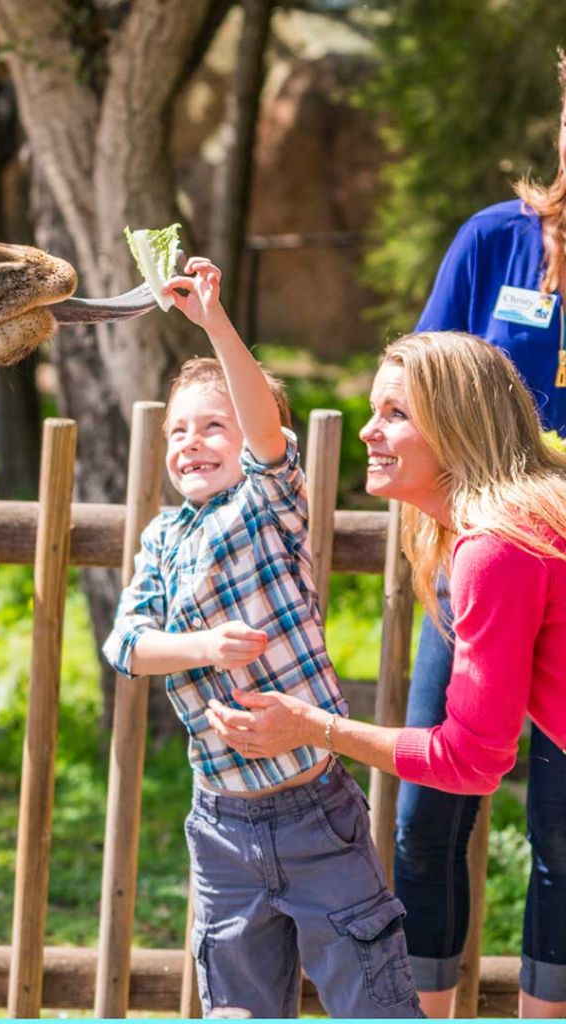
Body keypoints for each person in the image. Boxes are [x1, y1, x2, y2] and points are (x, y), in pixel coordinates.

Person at [206, 330, 566, 1019]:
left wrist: (314, 728)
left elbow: (472, 761)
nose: (368, 431)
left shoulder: (498, 547)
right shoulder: (525, 518)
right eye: (375, 410)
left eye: (396, 414)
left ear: (457, 424)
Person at [102, 257, 422, 1019]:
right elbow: (128, 645)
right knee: (238, 1008)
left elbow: (262, 430)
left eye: (213, 426)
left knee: (372, 1000)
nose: (191, 442)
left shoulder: (267, 505)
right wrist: (206, 647)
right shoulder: (162, 539)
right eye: (179, 430)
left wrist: (214, 321)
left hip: (316, 813)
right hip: (220, 826)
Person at [393, 48, 566, 1017]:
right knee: (426, 820)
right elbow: (420, 386)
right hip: (479, 570)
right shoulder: (494, 240)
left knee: (563, 838)